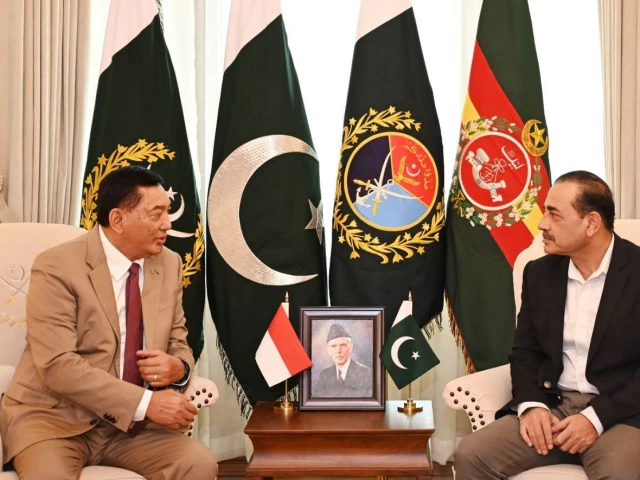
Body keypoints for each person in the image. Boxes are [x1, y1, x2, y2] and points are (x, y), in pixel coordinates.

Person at [0, 166, 217, 479]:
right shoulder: (56, 266)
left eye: (167, 212)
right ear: (118, 219)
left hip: (130, 429)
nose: (167, 224)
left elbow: (178, 341)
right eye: (156, 214)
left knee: (198, 464)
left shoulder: (169, 263)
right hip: (53, 419)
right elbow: (57, 365)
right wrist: (145, 402)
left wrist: (178, 368)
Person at [454, 171, 640, 478]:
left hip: (621, 414)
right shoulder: (539, 273)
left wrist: (595, 418)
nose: (542, 224)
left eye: (554, 214)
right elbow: (526, 352)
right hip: (555, 406)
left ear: (591, 223)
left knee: (618, 471)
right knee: (471, 455)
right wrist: (531, 405)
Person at [314, 323, 373, 398]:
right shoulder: (324, 375)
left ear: (350, 347)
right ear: (328, 350)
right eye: (334, 346)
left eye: (343, 345)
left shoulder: (366, 374)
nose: (338, 351)